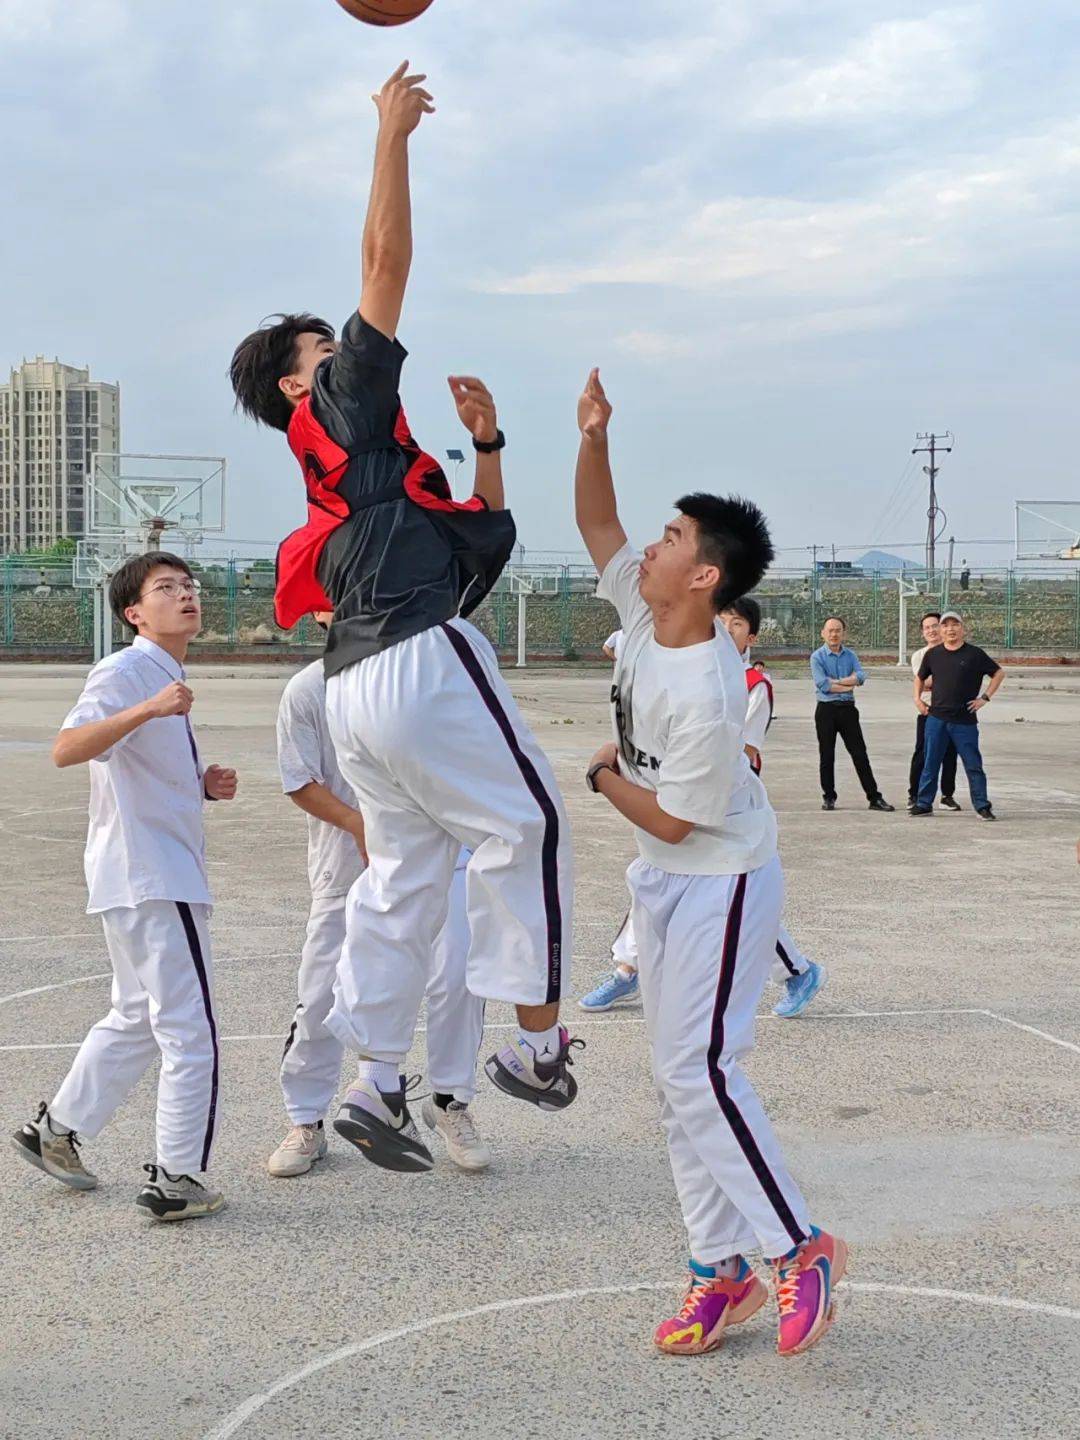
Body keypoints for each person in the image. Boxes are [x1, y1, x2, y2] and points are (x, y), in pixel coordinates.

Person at [229, 64, 577, 1175]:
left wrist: (490, 446)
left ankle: (376, 1083)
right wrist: (391, 137)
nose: (344, 351)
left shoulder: (368, 487)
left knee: (404, 880)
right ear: (300, 387)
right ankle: (533, 1045)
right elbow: (385, 263)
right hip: (419, 662)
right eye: (321, 351)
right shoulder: (340, 406)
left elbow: (482, 540)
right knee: (529, 823)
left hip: (359, 686)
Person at [575, 368, 846, 1360]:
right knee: (674, 1079)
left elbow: (680, 824)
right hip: (663, 879)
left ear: (707, 577)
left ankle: (797, 1247)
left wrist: (601, 775)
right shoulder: (645, 616)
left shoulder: (709, 689)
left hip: (720, 881)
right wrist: (593, 433)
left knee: (703, 1072)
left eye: (674, 539)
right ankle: (715, 1268)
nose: (650, 544)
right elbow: (599, 523)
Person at [11, 553, 238, 1221]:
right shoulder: (130, 671)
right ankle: (177, 1178)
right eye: (166, 588)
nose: (185, 595)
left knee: (137, 1016)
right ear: (133, 613)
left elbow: (133, 769)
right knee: (189, 1030)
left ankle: (55, 1130)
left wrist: (199, 782)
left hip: (135, 874)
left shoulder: (161, 674)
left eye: (189, 585)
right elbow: (68, 747)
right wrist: (148, 707)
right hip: (153, 875)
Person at [269, 638, 491, 1176]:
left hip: (443, 854)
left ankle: (449, 1103)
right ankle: (307, 1121)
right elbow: (299, 779)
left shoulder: (431, 673)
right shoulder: (308, 689)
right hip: (348, 863)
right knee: (322, 992)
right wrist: (355, 823)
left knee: (457, 975)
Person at [580, 597, 826, 1020]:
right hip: (674, 794)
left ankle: (796, 970)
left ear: (752, 636)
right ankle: (626, 968)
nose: (727, 629)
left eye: (737, 624)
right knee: (655, 886)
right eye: (722, 620)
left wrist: (680, 776)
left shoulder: (752, 684)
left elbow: (744, 751)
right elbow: (615, 645)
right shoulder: (685, 665)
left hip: (719, 808)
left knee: (736, 907)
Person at [911, 611, 1004, 820]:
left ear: (963, 629)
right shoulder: (933, 654)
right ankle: (924, 803)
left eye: (955, 625)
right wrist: (917, 699)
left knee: (973, 765)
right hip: (936, 719)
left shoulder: (975, 654)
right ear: (941, 630)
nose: (950, 629)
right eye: (945, 625)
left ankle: (982, 805)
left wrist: (985, 698)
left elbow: (998, 673)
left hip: (965, 721)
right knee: (930, 762)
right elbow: (919, 678)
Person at [810, 618, 893, 812]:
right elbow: (824, 686)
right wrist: (849, 684)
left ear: (844, 633)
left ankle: (874, 797)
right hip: (826, 710)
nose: (834, 634)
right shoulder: (817, 657)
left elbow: (861, 677)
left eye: (838, 630)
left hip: (848, 709)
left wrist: (838, 682)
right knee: (827, 755)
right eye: (830, 630)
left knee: (859, 754)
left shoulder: (851, 655)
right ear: (823, 633)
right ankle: (829, 796)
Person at [908, 611, 959, 812]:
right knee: (922, 753)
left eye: (935, 626)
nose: (931, 630)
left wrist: (942, 683)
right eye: (927, 627)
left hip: (953, 711)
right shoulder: (919, 656)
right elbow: (924, 682)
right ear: (922, 632)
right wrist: (944, 682)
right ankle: (914, 794)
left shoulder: (955, 651)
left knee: (950, 754)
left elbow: (956, 683)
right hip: (928, 710)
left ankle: (947, 795)